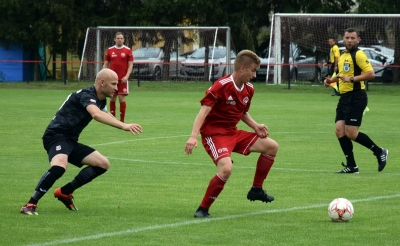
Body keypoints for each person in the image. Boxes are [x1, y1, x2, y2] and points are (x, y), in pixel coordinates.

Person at [20, 68, 143, 215]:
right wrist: (123, 125)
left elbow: (106, 114)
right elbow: (96, 114)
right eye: (114, 84)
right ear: (102, 83)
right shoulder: (87, 94)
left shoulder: (100, 99)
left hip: (70, 140)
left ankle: (65, 192)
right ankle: (30, 204)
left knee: (103, 164)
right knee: (60, 166)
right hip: (56, 136)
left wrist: (123, 124)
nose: (117, 88)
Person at [185, 50, 279, 218]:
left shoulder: (249, 89)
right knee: (226, 169)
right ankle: (202, 209)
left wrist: (256, 126)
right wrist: (193, 136)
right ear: (242, 68)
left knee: (272, 146)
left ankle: (256, 189)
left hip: (233, 133)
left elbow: (241, 112)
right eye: (253, 70)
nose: (254, 75)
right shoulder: (221, 85)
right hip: (215, 135)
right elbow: (203, 112)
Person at [324, 28, 388, 174]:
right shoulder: (343, 54)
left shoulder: (359, 54)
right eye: (347, 38)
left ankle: (380, 152)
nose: (350, 40)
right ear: (343, 39)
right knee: (340, 131)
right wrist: (330, 81)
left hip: (357, 97)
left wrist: (352, 79)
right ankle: (352, 166)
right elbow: (342, 74)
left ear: (358, 40)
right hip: (344, 97)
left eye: (353, 38)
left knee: (351, 133)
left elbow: (371, 74)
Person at [103, 32, 134, 122]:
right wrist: (104, 75)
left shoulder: (128, 50)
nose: (119, 40)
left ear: (123, 39)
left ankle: (122, 120)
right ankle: (113, 119)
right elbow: (105, 64)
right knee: (112, 98)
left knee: (121, 98)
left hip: (123, 79)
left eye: (121, 38)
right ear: (114, 39)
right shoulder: (110, 50)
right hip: (112, 80)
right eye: (118, 38)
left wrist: (127, 76)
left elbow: (130, 65)